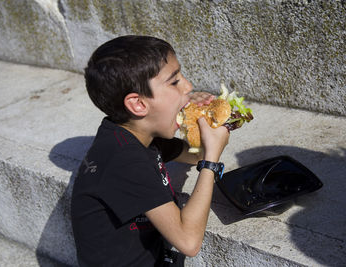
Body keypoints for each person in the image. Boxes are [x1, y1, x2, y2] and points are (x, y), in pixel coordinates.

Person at [71, 35, 230, 266]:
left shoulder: (135, 132)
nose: (188, 86)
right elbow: (188, 241)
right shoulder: (123, 161)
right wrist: (212, 163)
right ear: (138, 104)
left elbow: (195, 154)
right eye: (174, 82)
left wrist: (197, 121)